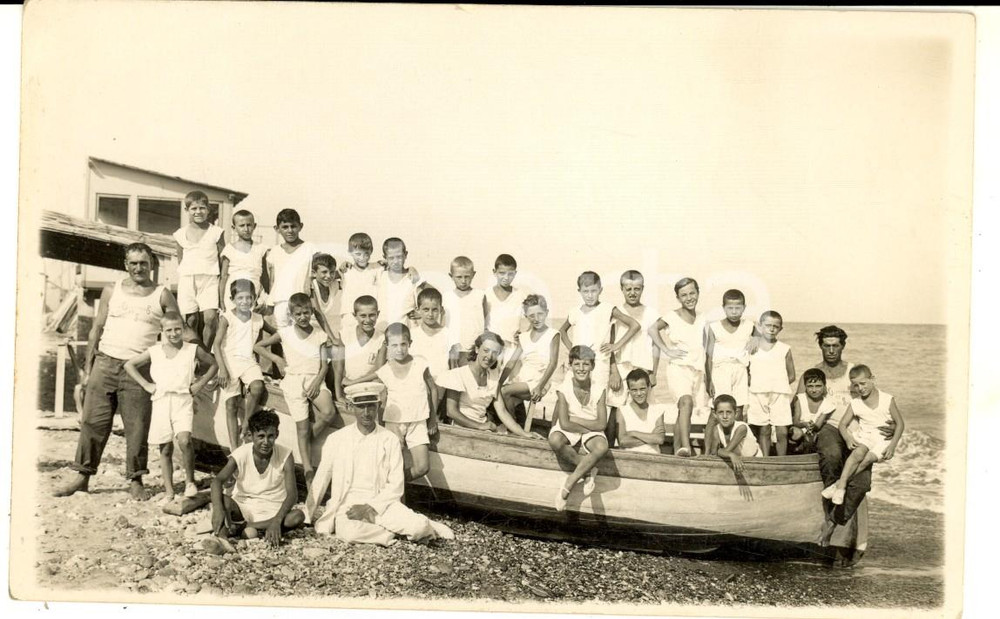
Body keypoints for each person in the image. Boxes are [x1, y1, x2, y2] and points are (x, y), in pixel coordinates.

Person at [53, 243, 183, 500]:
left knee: (137, 426)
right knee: (93, 421)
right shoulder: (111, 291)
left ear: (151, 265)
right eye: (133, 263)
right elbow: (96, 329)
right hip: (105, 363)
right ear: (126, 265)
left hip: (139, 368)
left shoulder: (162, 295)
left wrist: (200, 355)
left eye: (143, 263)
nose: (138, 268)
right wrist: (87, 369)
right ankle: (82, 476)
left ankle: (136, 479)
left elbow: (178, 329)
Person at [304, 383, 455, 546]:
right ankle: (392, 533)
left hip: (382, 503)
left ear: (378, 406)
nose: (366, 413)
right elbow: (321, 479)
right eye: (361, 407)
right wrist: (307, 515)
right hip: (348, 505)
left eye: (371, 406)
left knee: (419, 528)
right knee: (350, 533)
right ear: (351, 407)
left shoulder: (389, 440)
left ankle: (418, 524)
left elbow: (396, 485)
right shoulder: (337, 439)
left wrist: (370, 507)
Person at [797, 325, 893, 526]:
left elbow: (878, 401)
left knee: (862, 483)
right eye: (826, 346)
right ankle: (828, 513)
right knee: (831, 456)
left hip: (860, 431)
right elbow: (798, 404)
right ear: (820, 346)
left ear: (843, 346)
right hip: (829, 427)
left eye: (836, 345)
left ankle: (835, 521)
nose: (831, 350)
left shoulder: (854, 371)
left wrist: (891, 425)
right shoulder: (813, 374)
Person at [124, 312, 218, 502]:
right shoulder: (155, 351)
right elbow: (129, 365)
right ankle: (169, 492)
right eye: (169, 330)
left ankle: (190, 482)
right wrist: (146, 385)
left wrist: (199, 384)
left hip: (183, 400)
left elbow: (214, 365)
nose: (174, 333)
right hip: (161, 401)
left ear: (183, 329)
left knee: (184, 440)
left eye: (177, 329)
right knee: (165, 448)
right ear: (162, 331)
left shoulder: (192, 349)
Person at [254, 293, 339, 485]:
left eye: (306, 313)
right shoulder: (285, 333)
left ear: (311, 312)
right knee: (302, 426)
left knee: (329, 412)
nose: (303, 317)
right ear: (291, 315)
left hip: (314, 379)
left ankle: (304, 443)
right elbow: (258, 346)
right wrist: (276, 359)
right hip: (293, 381)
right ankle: (308, 470)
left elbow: (324, 366)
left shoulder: (319, 335)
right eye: (298, 314)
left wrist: (317, 382)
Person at [210, 409, 305, 546]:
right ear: (251, 435)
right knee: (223, 500)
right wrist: (218, 509)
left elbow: (292, 495)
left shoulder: (285, 454)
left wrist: (276, 520)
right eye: (261, 436)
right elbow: (217, 481)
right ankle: (223, 540)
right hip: (244, 507)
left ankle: (240, 528)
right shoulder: (241, 453)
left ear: (277, 434)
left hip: (274, 510)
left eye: (270, 436)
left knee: (297, 516)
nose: (266, 442)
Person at [822, 365, 905, 505]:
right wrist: (848, 439)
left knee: (867, 459)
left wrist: (892, 446)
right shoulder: (856, 403)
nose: (860, 388)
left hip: (883, 439)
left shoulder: (887, 399)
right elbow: (842, 424)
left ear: (872, 379)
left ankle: (838, 484)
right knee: (858, 453)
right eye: (855, 385)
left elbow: (900, 423)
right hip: (866, 436)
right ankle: (841, 489)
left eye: (863, 383)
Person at [558, 271, 641, 410]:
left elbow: (635, 325)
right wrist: (572, 349)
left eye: (593, 291)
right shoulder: (575, 311)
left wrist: (616, 345)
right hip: (578, 363)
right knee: (570, 397)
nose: (589, 295)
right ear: (579, 291)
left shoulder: (608, 309)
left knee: (597, 400)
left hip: (600, 363)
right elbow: (562, 331)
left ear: (600, 290)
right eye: (585, 291)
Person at [648, 277, 707, 456]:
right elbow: (652, 329)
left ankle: (676, 449)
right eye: (684, 295)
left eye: (692, 293)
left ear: (698, 293)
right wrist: (666, 350)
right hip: (678, 369)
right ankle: (687, 447)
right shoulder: (671, 316)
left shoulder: (703, 318)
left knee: (685, 410)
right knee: (686, 402)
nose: (689, 298)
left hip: (698, 371)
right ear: (678, 298)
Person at [439, 332, 537, 438]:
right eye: (486, 350)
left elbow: (502, 412)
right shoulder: (459, 374)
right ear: (477, 349)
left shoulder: (493, 377)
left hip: (484, 430)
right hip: (460, 430)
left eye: (495, 352)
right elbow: (451, 412)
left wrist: (524, 433)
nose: (489, 356)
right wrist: (480, 426)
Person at [548, 345, 610, 512]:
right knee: (555, 440)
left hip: (590, 427)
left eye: (586, 364)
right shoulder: (563, 388)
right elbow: (564, 424)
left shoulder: (599, 389)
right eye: (577, 364)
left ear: (592, 366)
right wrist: (586, 427)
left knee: (602, 446)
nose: (581, 368)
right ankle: (588, 471)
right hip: (575, 427)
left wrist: (576, 420)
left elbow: (602, 424)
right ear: (570, 366)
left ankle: (568, 483)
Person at [375, 323, 439, 480]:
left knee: (422, 467)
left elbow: (433, 389)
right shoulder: (384, 371)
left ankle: (394, 484)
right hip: (393, 423)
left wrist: (432, 419)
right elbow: (381, 401)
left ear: (410, 343)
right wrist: (380, 428)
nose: (399, 349)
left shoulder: (420, 363)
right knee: (392, 466)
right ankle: (392, 488)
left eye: (403, 344)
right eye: (394, 345)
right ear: (387, 345)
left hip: (418, 422)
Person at [213, 279, 269, 451]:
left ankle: (246, 424)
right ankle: (234, 447)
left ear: (254, 298)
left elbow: (278, 333)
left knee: (257, 387)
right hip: (229, 361)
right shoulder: (227, 318)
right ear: (232, 299)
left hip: (248, 361)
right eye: (240, 298)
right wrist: (222, 369)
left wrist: (269, 353)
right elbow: (216, 344)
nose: (245, 301)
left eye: (248, 298)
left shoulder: (258, 319)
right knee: (231, 404)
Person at [173, 190, 225, 348]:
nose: (198, 212)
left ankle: (206, 353)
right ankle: (193, 353)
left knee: (210, 318)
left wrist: (221, 284)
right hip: (188, 279)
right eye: (193, 208)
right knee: (191, 320)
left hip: (210, 280)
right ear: (187, 210)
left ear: (208, 209)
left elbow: (222, 259)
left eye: (202, 208)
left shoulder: (216, 232)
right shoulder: (180, 234)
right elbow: (180, 260)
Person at [499, 294, 560, 421]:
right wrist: (498, 383)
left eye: (540, 314)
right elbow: (511, 362)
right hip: (523, 379)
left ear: (546, 313)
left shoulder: (553, 334)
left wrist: (539, 387)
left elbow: (553, 363)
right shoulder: (524, 337)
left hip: (539, 381)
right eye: (531, 315)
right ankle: (515, 424)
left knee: (505, 391)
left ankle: (512, 425)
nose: (536, 319)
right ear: (526, 316)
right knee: (502, 393)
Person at [607, 270, 660, 419]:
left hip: (644, 367)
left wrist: (653, 372)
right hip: (621, 367)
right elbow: (610, 344)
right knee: (615, 408)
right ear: (621, 289)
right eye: (628, 289)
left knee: (645, 409)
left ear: (642, 288)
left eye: (637, 289)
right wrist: (614, 371)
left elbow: (656, 346)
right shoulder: (616, 313)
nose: (632, 293)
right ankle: (613, 435)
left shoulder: (651, 313)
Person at [747, 310, 795, 456]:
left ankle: (781, 461)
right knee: (764, 430)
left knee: (782, 431)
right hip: (757, 393)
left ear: (780, 328)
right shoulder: (752, 347)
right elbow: (746, 371)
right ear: (760, 326)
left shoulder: (785, 348)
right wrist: (756, 383)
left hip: (779, 394)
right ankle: (766, 460)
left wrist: (777, 384)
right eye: (768, 325)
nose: (772, 329)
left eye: (776, 326)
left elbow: (792, 375)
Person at [262, 209, 317, 329]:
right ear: (277, 229)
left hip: (301, 302)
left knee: (301, 334)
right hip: (280, 302)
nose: (290, 230)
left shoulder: (309, 248)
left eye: (293, 226)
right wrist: (271, 303)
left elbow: (319, 271)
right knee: (281, 335)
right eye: (285, 227)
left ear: (300, 226)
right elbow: (273, 280)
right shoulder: (275, 251)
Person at [704, 289, 754, 416]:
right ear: (723, 308)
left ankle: (737, 430)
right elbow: (709, 356)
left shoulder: (749, 325)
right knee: (717, 409)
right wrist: (709, 380)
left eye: (738, 308)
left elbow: (763, 341)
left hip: (741, 370)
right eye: (730, 308)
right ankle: (712, 431)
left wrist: (757, 339)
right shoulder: (714, 327)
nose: (734, 312)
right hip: (721, 370)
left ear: (744, 308)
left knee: (738, 409)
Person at [334, 295, 387, 407]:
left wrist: (353, 382)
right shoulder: (346, 334)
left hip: (370, 386)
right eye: (363, 316)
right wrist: (339, 396)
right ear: (355, 316)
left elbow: (379, 371)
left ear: (378, 314)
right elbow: (338, 368)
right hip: (350, 387)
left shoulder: (381, 339)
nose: (368, 320)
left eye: (372, 315)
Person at [218, 209, 267, 313]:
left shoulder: (261, 249)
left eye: (249, 225)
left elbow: (264, 277)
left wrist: (265, 297)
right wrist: (221, 300)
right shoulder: (229, 249)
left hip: (253, 295)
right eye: (241, 225)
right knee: (232, 320)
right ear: (234, 228)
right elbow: (223, 277)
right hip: (232, 294)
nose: (246, 229)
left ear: (254, 226)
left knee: (251, 321)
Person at [484, 254, 529, 363]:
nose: (506, 277)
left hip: (512, 348)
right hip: (491, 347)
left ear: (515, 273)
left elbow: (534, 317)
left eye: (510, 274)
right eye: (502, 273)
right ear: (494, 272)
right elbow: (480, 322)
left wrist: (525, 335)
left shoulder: (520, 295)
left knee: (511, 374)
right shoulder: (486, 294)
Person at [615, 369, 667, 454]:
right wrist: (651, 437)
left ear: (649, 387)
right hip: (630, 458)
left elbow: (659, 439)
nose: (639, 393)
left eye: (642, 389)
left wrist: (633, 433)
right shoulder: (622, 410)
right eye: (634, 390)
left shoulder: (657, 410)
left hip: (654, 458)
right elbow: (623, 441)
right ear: (629, 390)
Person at [376, 237, 423, 329]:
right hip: (383, 330)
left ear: (406, 254)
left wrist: (421, 312)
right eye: (391, 258)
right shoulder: (380, 275)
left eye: (399, 257)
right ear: (385, 258)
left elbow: (428, 298)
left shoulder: (413, 278)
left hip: (406, 331)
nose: (396, 261)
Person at [709, 394, 761, 474]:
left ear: (736, 413)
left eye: (729, 412)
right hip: (737, 461)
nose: (725, 416)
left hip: (755, 461)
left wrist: (730, 454)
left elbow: (726, 450)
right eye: (720, 412)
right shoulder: (716, 429)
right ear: (714, 414)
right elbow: (713, 453)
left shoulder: (742, 428)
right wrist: (730, 455)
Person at [339, 232, 381, 329]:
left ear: (371, 251)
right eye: (358, 254)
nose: (362, 258)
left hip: (370, 315)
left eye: (366, 254)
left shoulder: (377, 268)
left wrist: (411, 269)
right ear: (350, 252)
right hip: (349, 315)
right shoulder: (346, 271)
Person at [788, 369, 836, 454]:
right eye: (810, 386)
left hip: (813, 431)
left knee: (815, 438)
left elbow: (818, 425)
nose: (814, 390)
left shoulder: (827, 404)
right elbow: (795, 422)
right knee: (797, 433)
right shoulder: (800, 399)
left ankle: (805, 448)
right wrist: (804, 424)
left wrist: (812, 426)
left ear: (824, 386)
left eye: (818, 386)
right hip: (799, 428)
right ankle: (794, 449)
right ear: (805, 386)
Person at [310, 253, 344, 346]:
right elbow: (318, 313)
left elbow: (349, 275)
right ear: (314, 273)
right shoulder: (311, 286)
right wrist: (333, 338)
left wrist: (345, 267)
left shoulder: (333, 284)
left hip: (322, 329)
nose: (328, 276)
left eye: (331, 272)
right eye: (324, 272)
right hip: (308, 329)